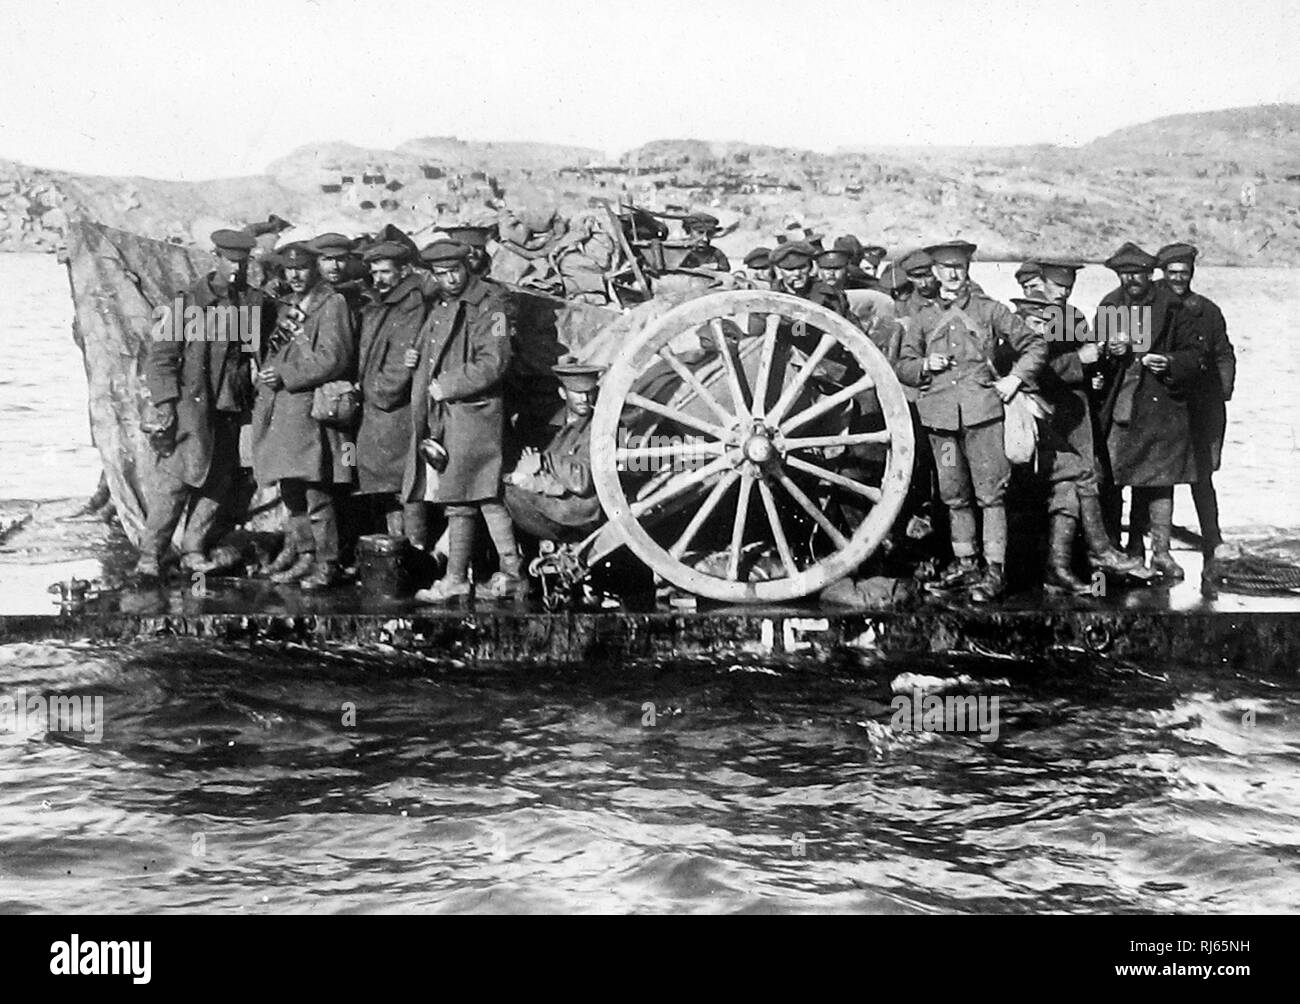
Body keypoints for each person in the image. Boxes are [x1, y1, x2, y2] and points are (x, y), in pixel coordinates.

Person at [895, 239, 1047, 602]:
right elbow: (901, 365)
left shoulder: (990, 311)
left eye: (958, 268)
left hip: (983, 418)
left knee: (991, 495)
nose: (951, 275)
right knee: (953, 495)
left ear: (967, 271)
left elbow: (1035, 345)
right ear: (933, 273)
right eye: (945, 269)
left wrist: (1014, 379)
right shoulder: (923, 319)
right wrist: (923, 367)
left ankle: (994, 571)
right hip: (941, 423)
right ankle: (966, 564)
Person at [135, 229, 263, 579]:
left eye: (243, 262)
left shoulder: (252, 302)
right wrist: (166, 405)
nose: (236, 269)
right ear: (214, 257)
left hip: (232, 408)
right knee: (175, 483)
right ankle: (151, 554)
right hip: (192, 410)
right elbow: (160, 359)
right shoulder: (188, 303)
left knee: (217, 484)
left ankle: (194, 549)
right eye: (230, 261)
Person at [405, 240, 525, 603]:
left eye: (454, 271)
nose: (449, 279)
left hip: (475, 411)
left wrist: (450, 384)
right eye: (440, 274)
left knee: (471, 495)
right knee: (474, 495)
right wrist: (417, 354)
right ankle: (505, 573)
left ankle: (463, 577)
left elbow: (496, 360)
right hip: (448, 413)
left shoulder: (494, 303)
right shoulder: (441, 304)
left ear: (467, 265)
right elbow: (435, 347)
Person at [1094, 242, 1205, 581]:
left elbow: (1196, 354)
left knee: (1160, 481)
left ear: (1150, 273)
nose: (1133, 279)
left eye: (1139, 273)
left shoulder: (1173, 306)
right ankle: (1119, 550)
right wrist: (1108, 351)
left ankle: (1160, 552)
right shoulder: (1111, 305)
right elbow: (1094, 352)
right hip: (1122, 406)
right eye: (1126, 273)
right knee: (1113, 479)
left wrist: (1169, 361)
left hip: (1164, 406)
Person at [1036, 260, 1151, 583]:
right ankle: (1097, 551)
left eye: (1068, 286)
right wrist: (1078, 361)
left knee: (1082, 480)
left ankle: (1061, 567)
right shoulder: (1033, 316)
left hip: (1077, 410)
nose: (1063, 291)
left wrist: (1104, 358)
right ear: (1042, 282)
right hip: (1048, 410)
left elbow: (1089, 357)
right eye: (1057, 285)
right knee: (1078, 477)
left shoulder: (1072, 316)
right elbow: (1031, 366)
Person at [251, 242, 357, 590]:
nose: (295, 275)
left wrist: (285, 374)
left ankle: (327, 563)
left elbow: (333, 358)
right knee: (291, 487)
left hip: (310, 410)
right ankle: (305, 554)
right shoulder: (288, 306)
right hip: (283, 409)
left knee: (315, 492)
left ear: (315, 270)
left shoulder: (332, 304)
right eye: (289, 270)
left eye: (303, 269)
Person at [1156, 242, 1236, 569]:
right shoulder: (1152, 306)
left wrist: (1222, 390)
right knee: (1157, 476)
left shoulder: (1207, 310)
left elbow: (1223, 353)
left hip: (1201, 405)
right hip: (1161, 405)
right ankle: (1149, 544)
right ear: (1163, 273)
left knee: (1202, 475)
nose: (1178, 279)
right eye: (1172, 273)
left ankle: (1212, 538)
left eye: (1184, 273)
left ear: (1192, 274)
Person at [355, 240, 430, 547]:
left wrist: (376, 391)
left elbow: (401, 361)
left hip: (393, 410)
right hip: (379, 410)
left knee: (406, 486)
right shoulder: (385, 301)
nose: (378, 279)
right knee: (386, 485)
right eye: (374, 272)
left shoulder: (409, 305)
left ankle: (414, 553)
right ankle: (396, 550)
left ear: (404, 270)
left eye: (385, 272)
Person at [503, 357, 604, 542]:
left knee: (509, 494)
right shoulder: (551, 423)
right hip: (556, 499)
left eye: (589, 392)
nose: (584, 398)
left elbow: (581, 480)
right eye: (577, 392)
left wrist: (544, 460)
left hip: (580, 510)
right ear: (563, 393)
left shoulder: (600, 427)